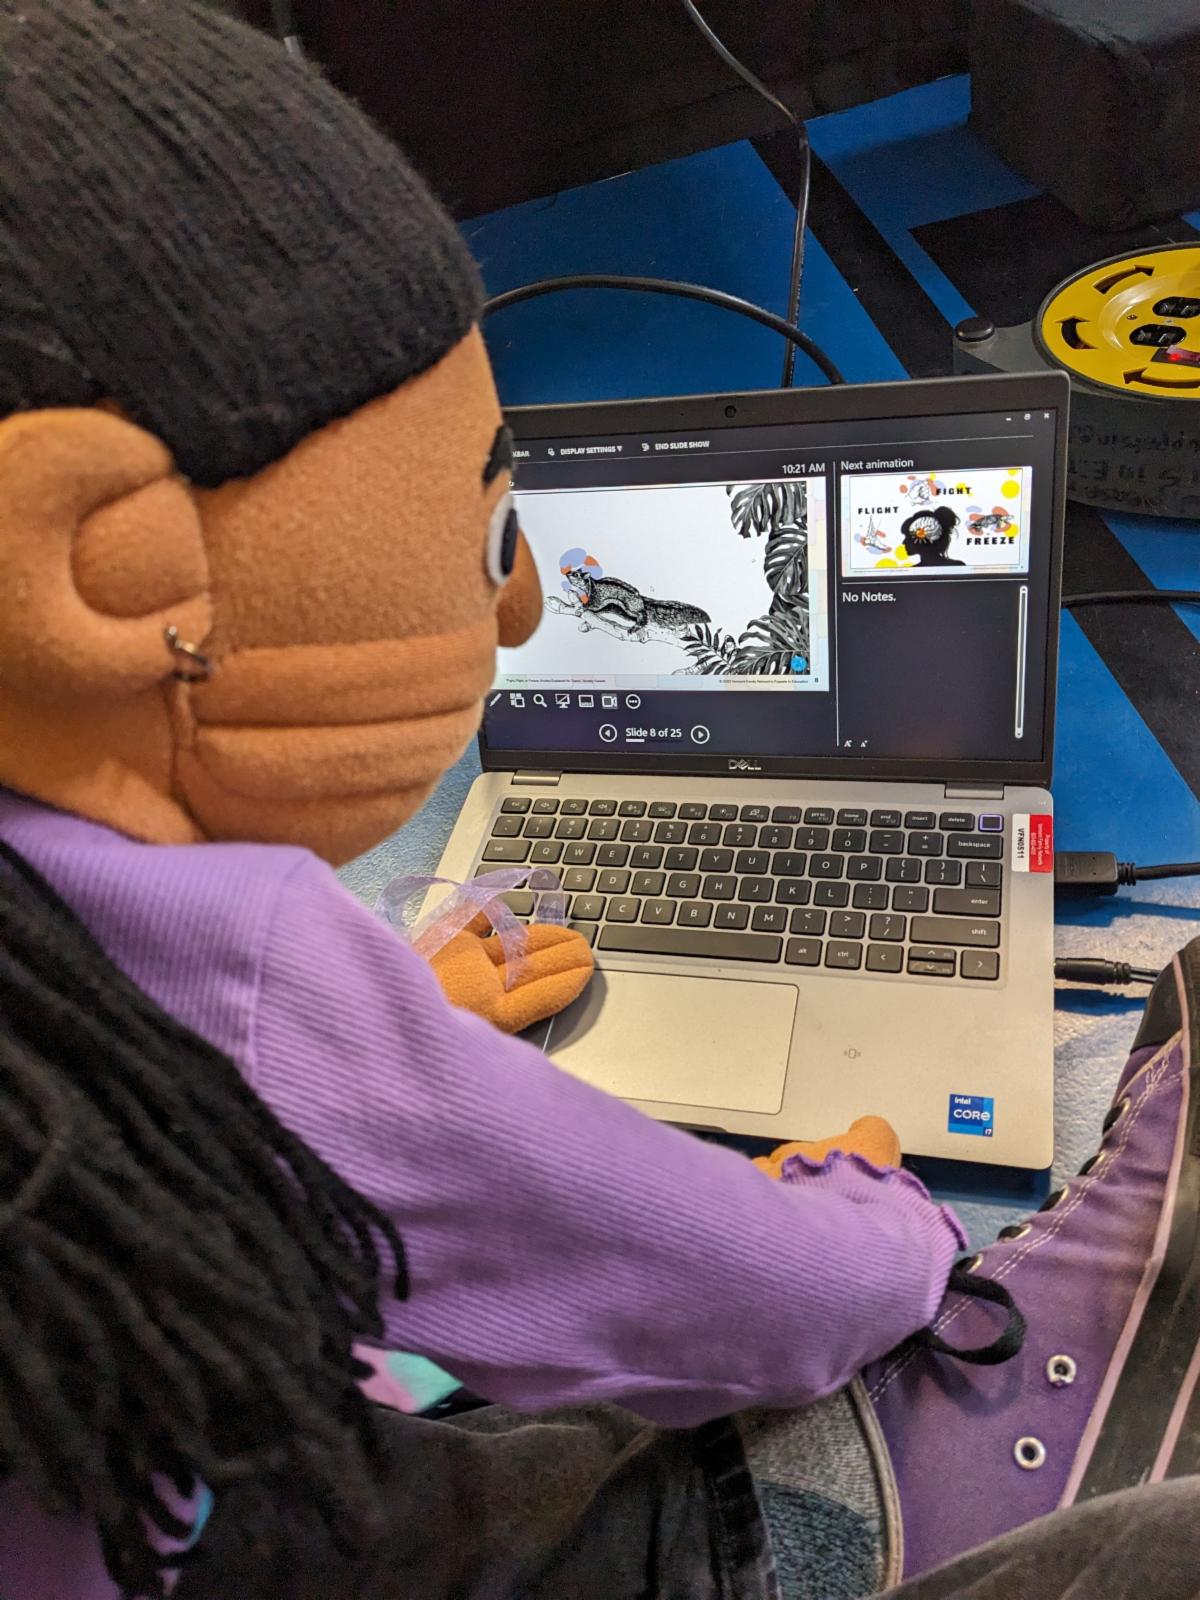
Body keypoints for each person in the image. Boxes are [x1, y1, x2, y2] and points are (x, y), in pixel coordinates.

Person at [0, 6, 1195, 1599]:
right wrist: (879, 1213)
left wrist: (376, 1046)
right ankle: (896, 1477)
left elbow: (235, 1149)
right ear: (94, 565)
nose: (521, 608)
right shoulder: (234, 967)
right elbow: (756, 1301)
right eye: (490, 535)